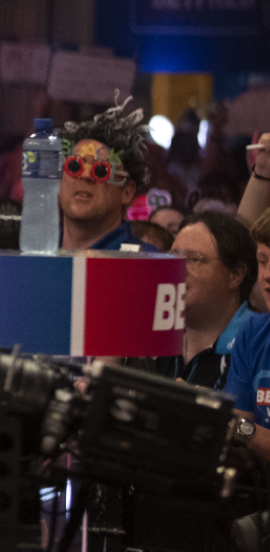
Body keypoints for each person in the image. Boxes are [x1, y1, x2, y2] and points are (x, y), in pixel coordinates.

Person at [150, 213, 259, 388]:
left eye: (194, 260)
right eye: (173, 256)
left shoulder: (259, 345)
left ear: (235, 275)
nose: (177, 268)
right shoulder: (150, 338)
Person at [54, 99, 158, 253]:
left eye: (101, 170)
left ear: (127, 192)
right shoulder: (36, 255)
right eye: (74, 166)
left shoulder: (145, 264)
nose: (86, 175)